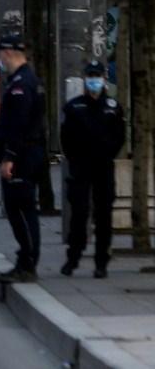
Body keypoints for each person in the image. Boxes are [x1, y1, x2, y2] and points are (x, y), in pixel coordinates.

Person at [60, 60, 126, 278]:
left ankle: (101, 262)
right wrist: (76, 159)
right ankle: (73, 257)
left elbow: (119, 137)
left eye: (97, 76)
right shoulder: (74, 107)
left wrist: (107, 154)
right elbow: (66, 139)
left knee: (104, 215)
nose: (94, 80)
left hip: (103, 167)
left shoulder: (113, 108)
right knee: (79, 213)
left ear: (103, 80)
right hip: (81, 167)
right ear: (85, 79)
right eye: (91, 76)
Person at [0, 35, 46, 283]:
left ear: (8, 54)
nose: (0, 59)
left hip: (22, 156)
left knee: (21, 210)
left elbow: (19, 124)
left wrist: (9, 157)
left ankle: (27, 261)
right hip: (29, 153)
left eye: (1, 54)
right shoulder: (29, 80)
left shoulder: (20, 85)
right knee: (23, 209)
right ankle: (26, 259)